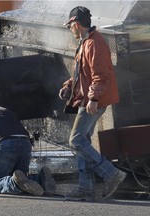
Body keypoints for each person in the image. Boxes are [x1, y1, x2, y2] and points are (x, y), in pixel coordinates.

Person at [59, 6, 127, 201]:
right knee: (82, 142)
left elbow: (101, 76)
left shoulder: (93, 44)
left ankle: (111, 174)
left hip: (93, 100)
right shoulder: (86, 42)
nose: (69, 29)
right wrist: (68, 86)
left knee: (76, 141)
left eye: (70, 25)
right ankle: (85, 188)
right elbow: (81, 73)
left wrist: (93, 99)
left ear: (76, 24)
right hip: (88, 98)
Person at [0, 99, 56, 196]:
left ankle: (14, 183)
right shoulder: (2, 109)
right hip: (25, 143)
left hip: (4, 145)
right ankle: (41, 179)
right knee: (23, 178)